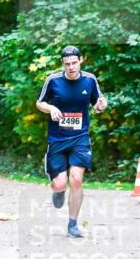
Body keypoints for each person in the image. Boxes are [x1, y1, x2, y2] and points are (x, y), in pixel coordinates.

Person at [35, 45, 108, 238]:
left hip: (80, 137)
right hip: (57, 138)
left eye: (74, 63)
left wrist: (101, 106)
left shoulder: (90, 80)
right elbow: (39, 102)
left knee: (76, 179)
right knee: (60, 184)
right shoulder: (53, 80)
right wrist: (50, 108)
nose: (71, 67)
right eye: (67, 64)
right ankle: (58, 191)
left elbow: (98, 103)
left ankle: (73, 224)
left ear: (81, 60)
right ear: (62, 64)